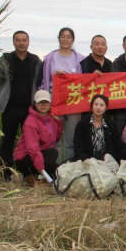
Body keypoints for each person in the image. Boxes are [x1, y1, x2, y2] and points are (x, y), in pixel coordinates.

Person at [0, 30, 42, 180]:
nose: (21, 43)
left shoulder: (35, 61)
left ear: (28, 42)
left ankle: (29, 174)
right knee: (7, 141)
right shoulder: (6, 59)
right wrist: (4, 95)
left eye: (24, 40)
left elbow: (39, 81)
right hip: (10, 107)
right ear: (13, 42)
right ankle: (5, 174)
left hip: (29, 108)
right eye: (18, 40)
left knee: (31, 142)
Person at [38, 27, 86, 163]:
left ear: (73, 40)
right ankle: (55, 167)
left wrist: (68, 77)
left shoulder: (80, 59)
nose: (65, 39)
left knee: (72, 135)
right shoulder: (50, 58)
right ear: (58, 38)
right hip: (55, 96)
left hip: (73, 98)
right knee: (55, 134)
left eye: (68, 37)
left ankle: (70, 166)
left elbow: (84, 80)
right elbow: (43, 80)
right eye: (63, 36)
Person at [13, 90, 63, 187]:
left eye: (46, 102)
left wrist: (59, 124)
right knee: (53, 152)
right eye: (40, 102)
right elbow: (32, 148)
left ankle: (35, 179)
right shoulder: (30, 121)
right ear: (35, 104)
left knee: (57, 169)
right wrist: (40, 166)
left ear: (50, 104)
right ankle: (36, 177)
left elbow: (56, 138)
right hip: (24, 159)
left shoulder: (51, 120)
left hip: (40, 157)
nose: (43, 105)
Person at [71, 95, 126, 162]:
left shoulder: (111, 124)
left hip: (107, 159)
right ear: (92, 106)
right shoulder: (82, 125)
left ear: (106, 108)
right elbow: (78, 148)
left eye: (101, 105)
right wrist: (86, 161)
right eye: (96, 104)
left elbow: (117, 143)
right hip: (89, 160)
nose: (98, 107)